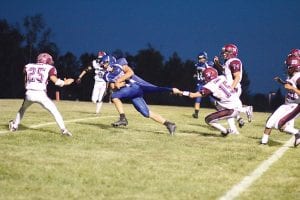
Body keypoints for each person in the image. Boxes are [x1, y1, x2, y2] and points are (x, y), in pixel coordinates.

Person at [100, 55, 177, 135]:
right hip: (131, 92)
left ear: (110, 62)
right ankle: (169, 124)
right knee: (146, 113)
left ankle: (123, 118)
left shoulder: (119, 64)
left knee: (114, 96)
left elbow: (130, 72)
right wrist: (117, 85)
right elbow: (113, 86)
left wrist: (118, 81)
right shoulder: (107, 75)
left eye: (104, 64)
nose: (103, 66)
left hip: (135, 87)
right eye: (102, 65)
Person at [8, 53, 74, 136]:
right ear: (47, 61)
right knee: (54, 111)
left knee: (23, 109)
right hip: (40, 94)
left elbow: (25, 83)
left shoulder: (28, 66)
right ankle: (64, 130)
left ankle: (14, 125)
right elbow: (56, 81)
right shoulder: (49, 68)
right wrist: (65, 82)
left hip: (29, 93)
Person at [173, 67, 242, 136]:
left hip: (231, 109)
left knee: (208, 119)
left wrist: (179, 92)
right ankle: (237, 122)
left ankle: (225, 131)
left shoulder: (210, 86)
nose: (204, 78)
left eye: (204, 77)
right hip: (237, 104)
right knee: (219, 106)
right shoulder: (222, 77)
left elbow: (192, 95)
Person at [261, 55, 300, 147]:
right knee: (270, 121)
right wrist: (281, 82)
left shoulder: (298, 78)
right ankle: (263, 143)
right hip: (287, 104)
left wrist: (292, 88)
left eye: (288, 67)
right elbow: (290, 84)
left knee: (280, 124)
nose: (286, 69)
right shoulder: (293, 76)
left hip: (296, 105)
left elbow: (293, 87)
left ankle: (297, 133)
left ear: (293, 68)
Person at [214, 44, 253, 128]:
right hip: (231, 87)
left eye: (226, 52)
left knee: (225, 108)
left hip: (233, 87)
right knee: (222, 106)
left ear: (231, 52)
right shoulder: (229, 61)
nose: (224, 54)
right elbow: (224, 70)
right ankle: (241, 115)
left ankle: (244, 112)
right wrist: (217, 64)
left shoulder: (234, 61)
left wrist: (231, 88)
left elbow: (237, 76)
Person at [192, 51, 216, 119]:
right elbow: (199, 75)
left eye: (202, 58)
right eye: (199, 58)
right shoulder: (197, 65)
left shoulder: (209, 64)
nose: (200, 60)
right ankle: (196, 114)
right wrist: (196, 76)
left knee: (213, 99)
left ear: (205, 58)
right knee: (198, 98)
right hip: (200, 84)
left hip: (208, 83)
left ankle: (220, 110)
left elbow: (211, 73)